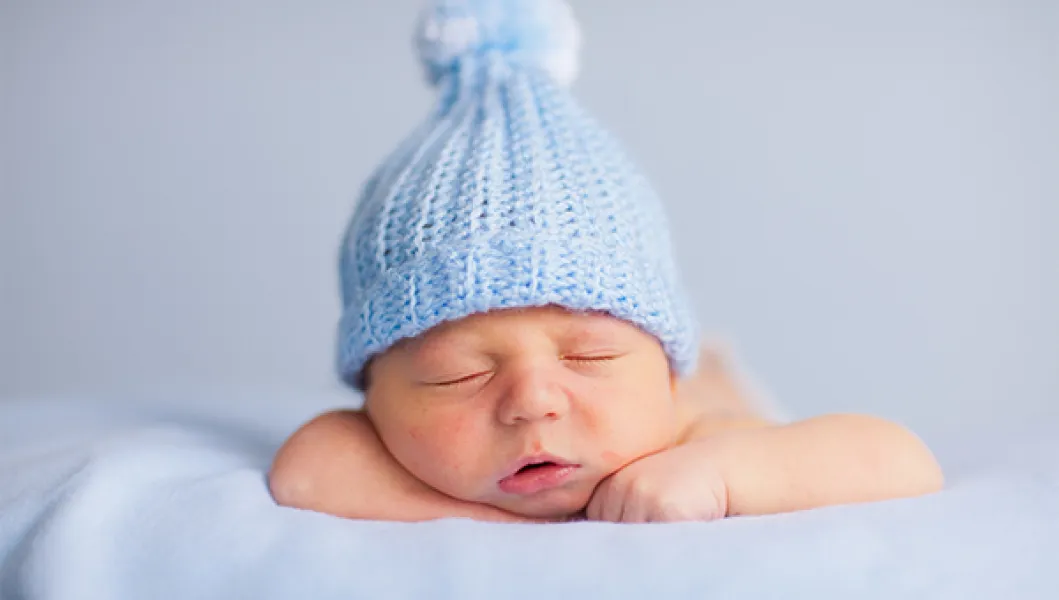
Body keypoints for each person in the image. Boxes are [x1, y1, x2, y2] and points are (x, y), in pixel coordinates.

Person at [268, 0, 943, 524]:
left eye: (589, 358)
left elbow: (899, 460)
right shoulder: (374, 440)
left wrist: (723, 473)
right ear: (371, 391)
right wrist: (499, 521)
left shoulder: (692, 428)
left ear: (663, 375)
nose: (532, 402)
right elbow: (305, 470)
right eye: (458, 374)